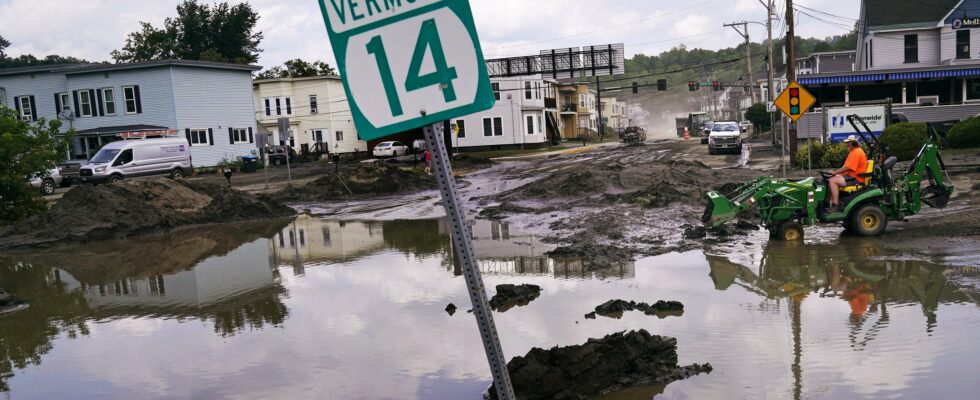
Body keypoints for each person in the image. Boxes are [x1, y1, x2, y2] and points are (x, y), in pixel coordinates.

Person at [827, 135, 869, 213]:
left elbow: (848, 167)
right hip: (851, 176)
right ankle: (828, 203)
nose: (846, 144)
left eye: (848, 143)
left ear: (853, 143)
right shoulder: (853, 152)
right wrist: (835, 173)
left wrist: (835, 172)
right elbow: (845, 166)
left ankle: (835, 205)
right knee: (830, 179)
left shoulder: (857, 152)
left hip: (856, 178)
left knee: (833, 181)